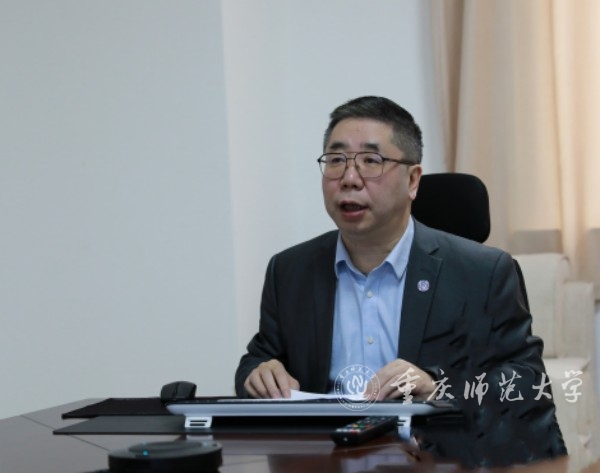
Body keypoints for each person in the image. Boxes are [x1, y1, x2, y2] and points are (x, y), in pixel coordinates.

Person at [234, 96, 558, 415]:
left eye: (371, 161)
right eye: (336, 160)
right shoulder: (290, 271)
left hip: (437, 445)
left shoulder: (483, 272)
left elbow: (527, 381)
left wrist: (437, 388)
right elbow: (259, 357)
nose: (349, 179)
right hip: (323, 444)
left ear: (412, 180)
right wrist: (259, 372)